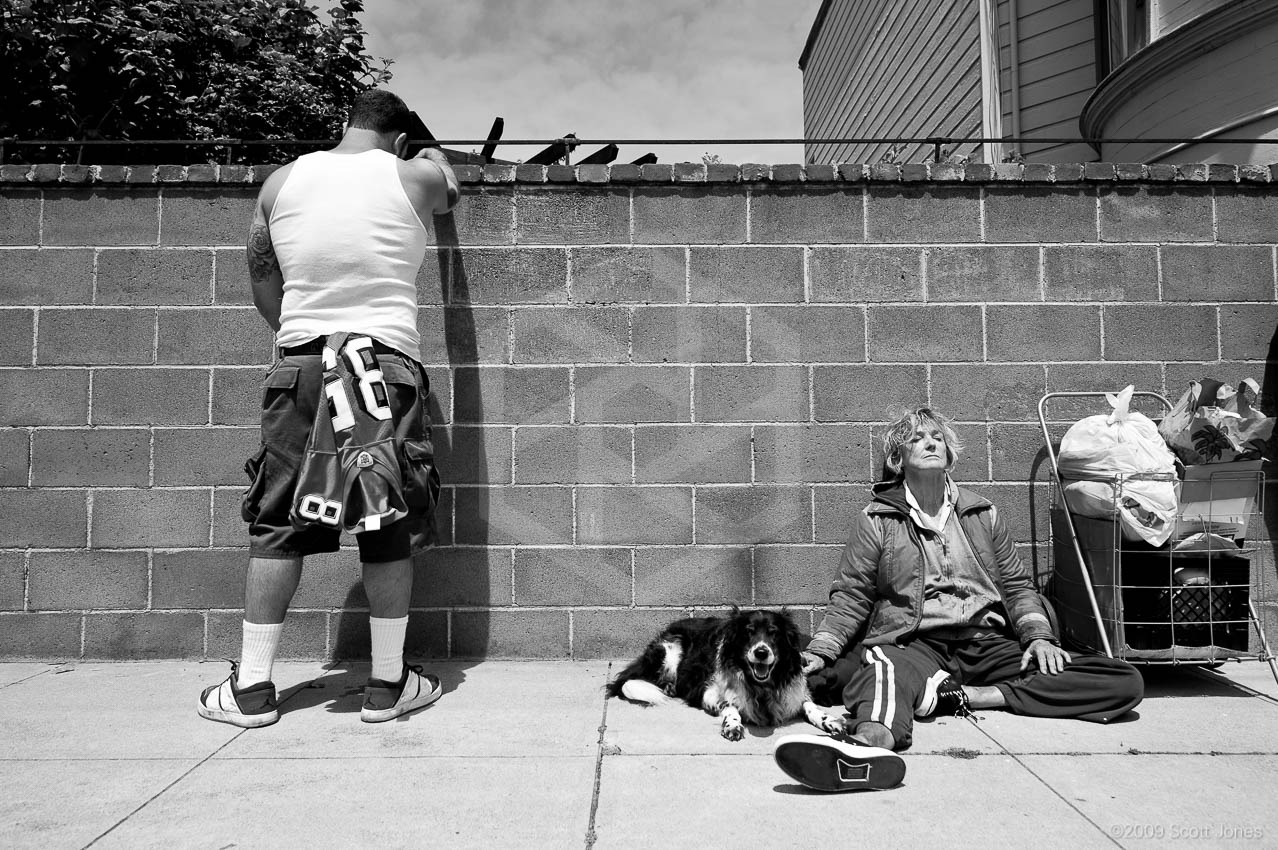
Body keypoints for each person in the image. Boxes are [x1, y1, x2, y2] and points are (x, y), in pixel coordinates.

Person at [198, 89, 459, 728]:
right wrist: (430, 154)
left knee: (277, 523)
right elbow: (451, 187)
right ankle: (387, 686)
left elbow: (263, 280)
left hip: (303, 362)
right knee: (385, 521)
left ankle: (252, 690)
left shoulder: (279, 183)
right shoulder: (414, 175)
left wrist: (305, 346)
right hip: (383, 367)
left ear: (345, 125)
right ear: (400, 139)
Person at [774, 407, 1144, 792]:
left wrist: (1038, 637)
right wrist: (822, 649)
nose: (930, 443)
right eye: (917, 438)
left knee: (1123, 682)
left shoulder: (982, 513)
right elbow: (852, 594)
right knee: (883, 675)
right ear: (898, 458)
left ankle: (964, 696)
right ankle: (865, 749)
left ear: (949, 454)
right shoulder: (878, 519)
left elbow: (1017, 587)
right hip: (914, 644)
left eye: (937, 438)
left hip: (985, 644)